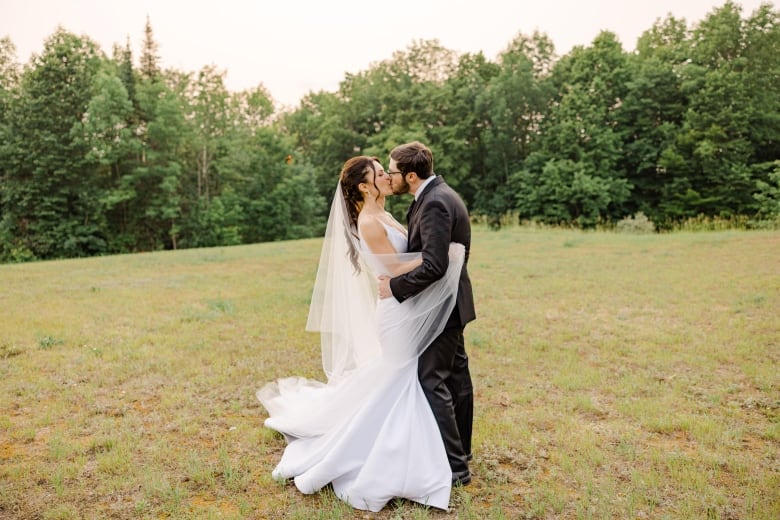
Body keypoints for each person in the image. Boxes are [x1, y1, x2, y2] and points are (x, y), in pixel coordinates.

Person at [257, 156, 467, 512]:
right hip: (395, 310)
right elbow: (393, 266)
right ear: (364, 187)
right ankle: (400, 454)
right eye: (379, 174)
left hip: (405, 304)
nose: (387, 177)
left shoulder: (384, 213)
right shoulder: (369, 221)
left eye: (386, 171)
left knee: (403, 377)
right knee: (402, 377)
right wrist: (442, 254)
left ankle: (428, 450)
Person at [378, 141, 476, 486]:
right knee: (456, 378)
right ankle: (462, 453)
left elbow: (435, 264)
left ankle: (455, 469)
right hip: (450, 304)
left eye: (392, 172)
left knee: (432, 379)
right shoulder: (438, 194)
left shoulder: (434, 202)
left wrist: (394, 287)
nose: (390, 177)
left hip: (442, 308)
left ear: (411, 175)